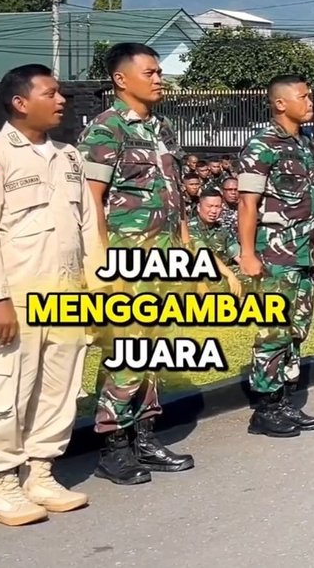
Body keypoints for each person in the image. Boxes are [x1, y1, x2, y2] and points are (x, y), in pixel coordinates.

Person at [0, 64, 100, 527]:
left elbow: (88, 231)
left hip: (66, 297)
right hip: (15, 300)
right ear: (21, 102)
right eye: (51, 93)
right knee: (6, 389)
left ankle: (40, 473)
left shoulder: (69, 157)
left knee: (58, 389)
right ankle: (1, 487)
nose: (62, 100)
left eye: (61, 93)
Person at [77, 42, 194, 486]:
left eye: (159, 71)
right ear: (121, 79)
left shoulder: (160, 128)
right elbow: (91, 203)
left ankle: (144, 436)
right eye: (150, 72)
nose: (159, 78)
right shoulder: (106, 131)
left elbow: (175, 197)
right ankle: (113, 446)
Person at [238, 74, 314, 438]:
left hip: (304, 252)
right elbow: (248, 203)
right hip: (275, 255)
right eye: (304, 97)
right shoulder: (263, 144)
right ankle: (265, 407)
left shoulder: (306, 143)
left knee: (297, 329)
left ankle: (283, 399)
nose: (310, 103)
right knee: (273, 330)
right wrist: (247, 253)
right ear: (280, 103)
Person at [187, 188, 242, 294]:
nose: (213, 211)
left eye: (217, 207)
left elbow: (236, 253)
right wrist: (230, 275)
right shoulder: (190, 227)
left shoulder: (222, 228)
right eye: (209, 206)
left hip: (222, 272)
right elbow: (204, 254)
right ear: (199, 207)